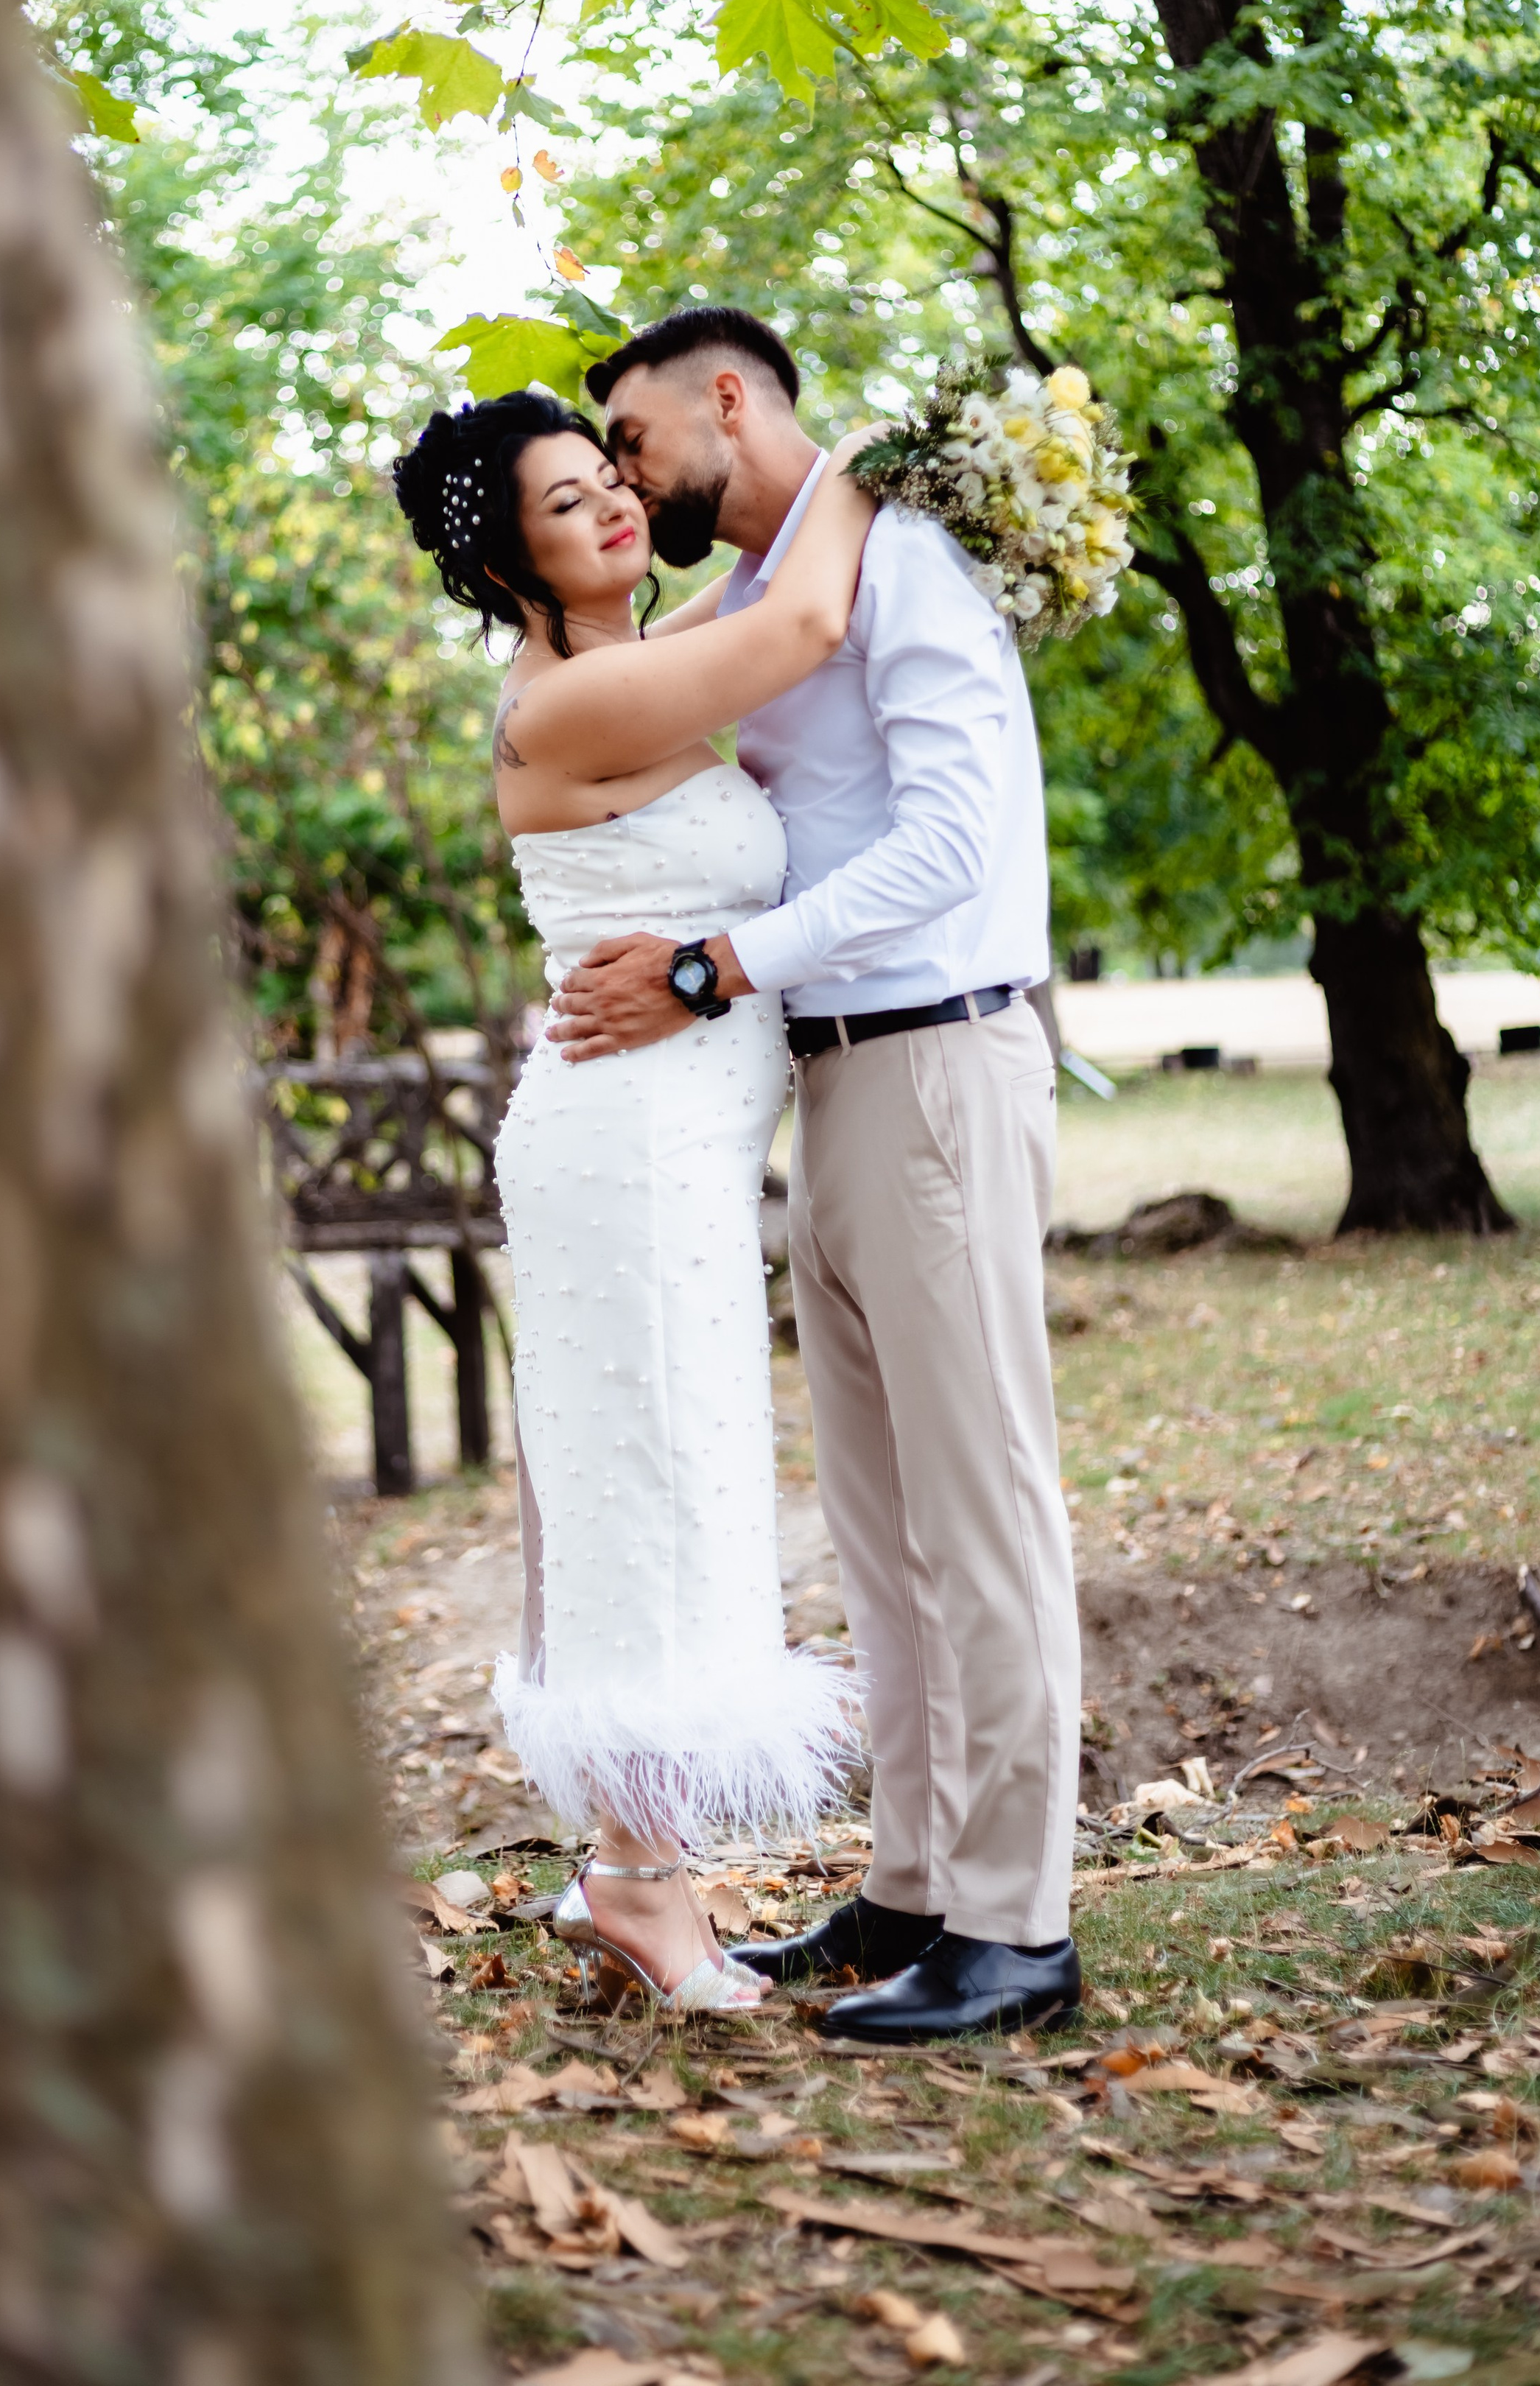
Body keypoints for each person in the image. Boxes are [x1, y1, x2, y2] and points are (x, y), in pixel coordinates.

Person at [551, 305, 1082, 2043]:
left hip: (938, 1066)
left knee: (980, 1513)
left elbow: (949, 846)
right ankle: (913, 1887)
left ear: (725, 398)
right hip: (831, 1088)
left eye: (632, 441)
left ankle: (1014, 1928)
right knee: (882, 1531)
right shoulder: (771, 589)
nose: (624, 480)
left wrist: (713, 967)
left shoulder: (902, 556)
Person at [392, 387, 876, 2012]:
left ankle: (631, 1866)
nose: (611, 505)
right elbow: (803, 620)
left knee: (669, 1489)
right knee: (649, 1503)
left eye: (609, 476)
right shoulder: (570, 705)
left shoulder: (626, 669)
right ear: (508, 566)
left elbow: (763, 616)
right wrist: (882, 457)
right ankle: (640, 1886)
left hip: (670, 1150)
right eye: (565, 503)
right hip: (624, 1157)